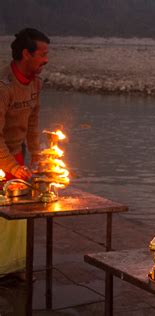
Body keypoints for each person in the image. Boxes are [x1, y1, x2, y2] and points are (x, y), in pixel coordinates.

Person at [0, 28, 49, 280]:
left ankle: (14, 267)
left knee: (19, 216)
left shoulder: (36, 85)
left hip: (16, 154)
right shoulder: (3, 86)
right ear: (25, 54)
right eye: (42, 54)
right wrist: (13, 167)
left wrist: (38, 157)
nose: (46, 60)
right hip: (2, 155)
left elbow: (32, 125)